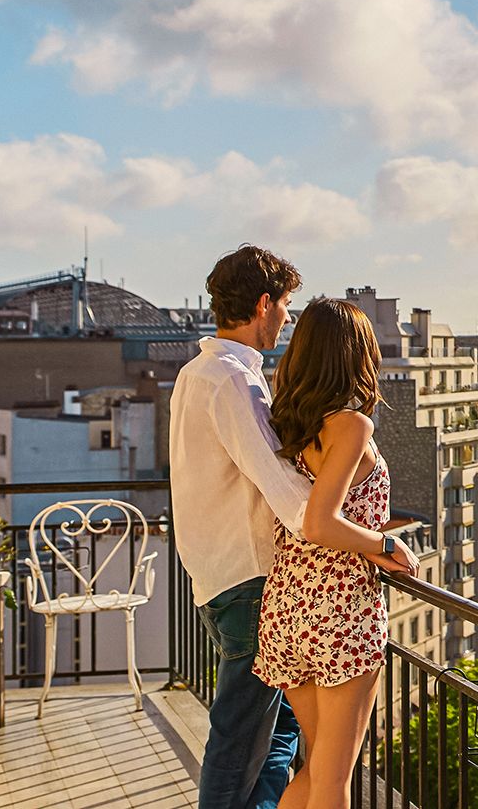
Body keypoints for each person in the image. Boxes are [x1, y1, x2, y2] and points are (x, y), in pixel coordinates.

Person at [254, 299, 419, 809]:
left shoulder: (293, 425)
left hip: (288, 606)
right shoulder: (351, 425)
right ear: (356, 355)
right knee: (333, 780)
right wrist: (385, 544)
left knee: (319, 768)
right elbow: (320, 522)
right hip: (339, 608)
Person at [171, 246, 319, 809]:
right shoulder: (234, 381)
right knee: (240, 738)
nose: (287, 317)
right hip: (249, 581)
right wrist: (368, 539)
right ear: (263, 304)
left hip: (218, 577)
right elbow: (287, 492)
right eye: (285, 305)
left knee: (276, 726)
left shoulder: (195, 373)